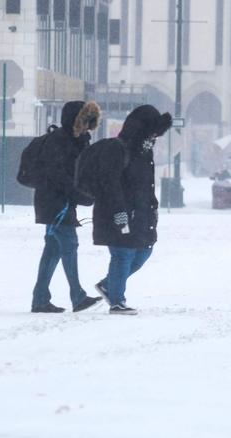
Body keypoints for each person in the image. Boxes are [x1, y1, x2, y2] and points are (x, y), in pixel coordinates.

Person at [88, 104, 172, 315]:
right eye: (152, 132)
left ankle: (109, 285)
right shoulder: (118, 149)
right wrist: (119, 212)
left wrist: (152, 208)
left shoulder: (144, 152)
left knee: (144, 251)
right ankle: (117, 300)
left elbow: (146, 185)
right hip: (118, 212)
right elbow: (111, 183)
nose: (154, 137)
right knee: (123, 254)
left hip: (140, 212)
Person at [30, 100, 103, 313]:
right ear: (76, 119)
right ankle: (77, 296)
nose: (88, 126)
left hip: (56, 201)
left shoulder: (75, 140)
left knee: (53, 250)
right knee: (69, 245)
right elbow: (59, 176)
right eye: (85, 121)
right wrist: (81, 195)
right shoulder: (60, 141)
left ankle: (40, 299)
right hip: (56, 202)